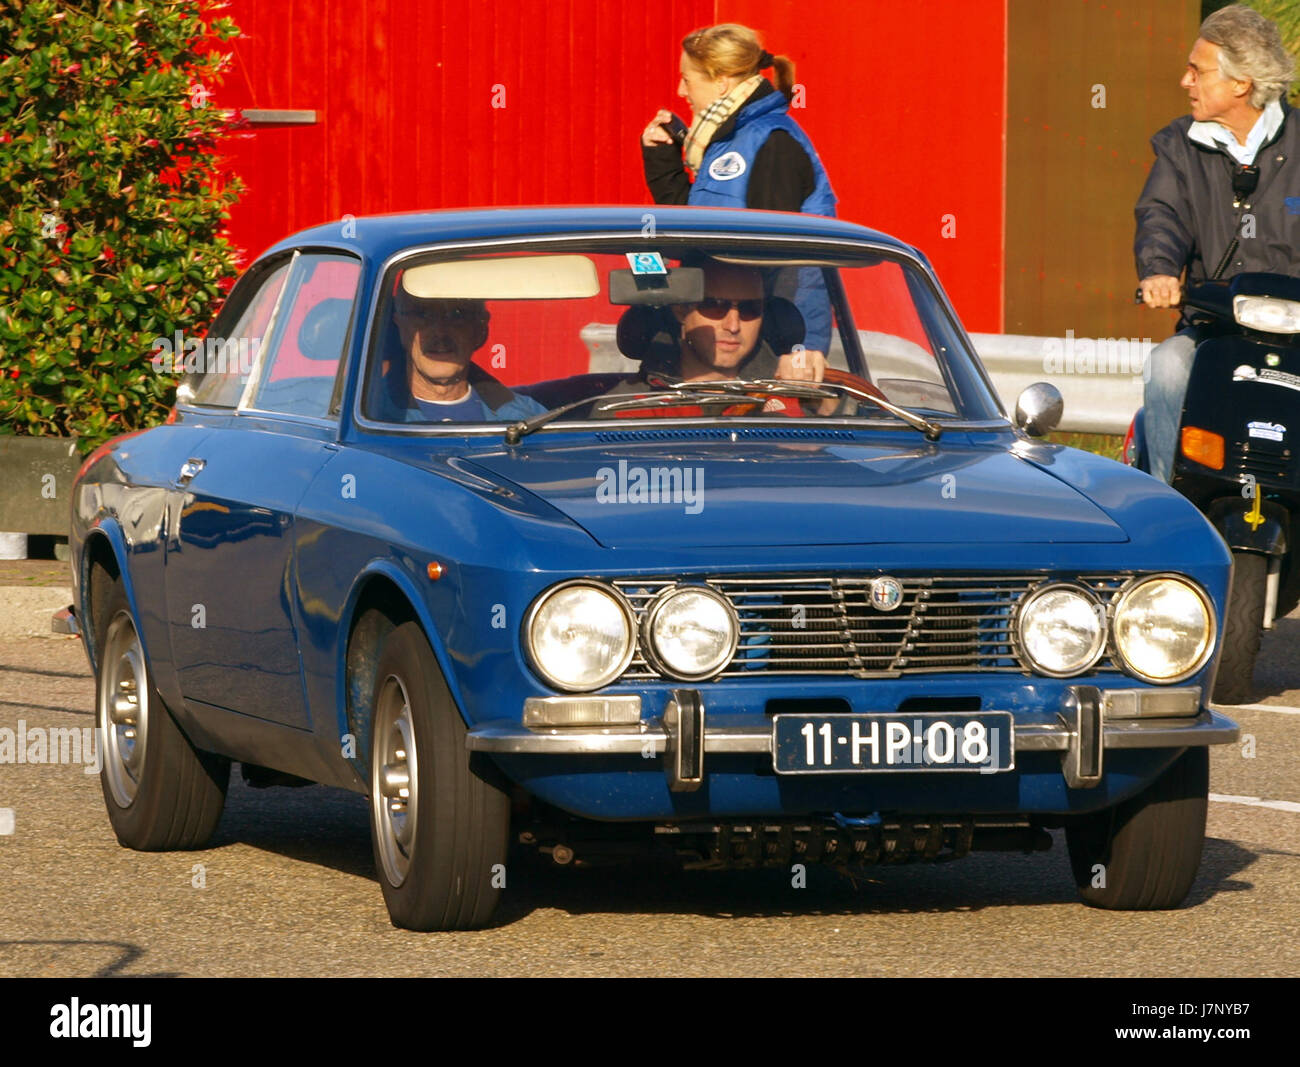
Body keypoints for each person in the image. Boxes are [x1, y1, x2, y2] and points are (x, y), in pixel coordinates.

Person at [1137, 4, 1299, 483]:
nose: (1185, 81)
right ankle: (1171, 507)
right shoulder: (1179, 145)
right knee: (1167, 366)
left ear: (1240, 84)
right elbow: (1160, 214)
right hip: (1216, 330)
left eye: (1197, 70)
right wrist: (1158, 270)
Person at [640, 22, 837, 374]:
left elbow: (790, 256)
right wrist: (662, 159)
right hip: (736, 332)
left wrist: (798, 346)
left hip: (763, 340)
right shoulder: (729, 141)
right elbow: (694, 234)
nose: (680, 90)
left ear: (721, 82)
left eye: (687, 79)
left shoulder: (772, 142)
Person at [599, 259, 836, 416]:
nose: (733, 325)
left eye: (750, 309)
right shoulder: (626, 406)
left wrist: (823, 396)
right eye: (714, 306)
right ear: (681, 310)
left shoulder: (792, 389)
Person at [385, 286, 544, 422]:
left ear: (480, 330)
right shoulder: (374, 417)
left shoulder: (530, 417)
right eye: (422, 315)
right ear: (400, 326)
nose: (440, 333)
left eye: (457, 315)